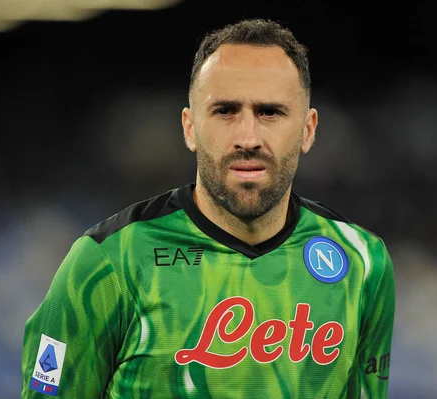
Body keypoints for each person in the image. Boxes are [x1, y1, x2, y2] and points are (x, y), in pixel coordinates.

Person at [21, 18, 396, 398]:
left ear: (308, 129)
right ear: (189, 127)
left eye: (270, 112)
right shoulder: (108, 262)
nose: (248, 137)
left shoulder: (363, 263)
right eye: (225, 111)